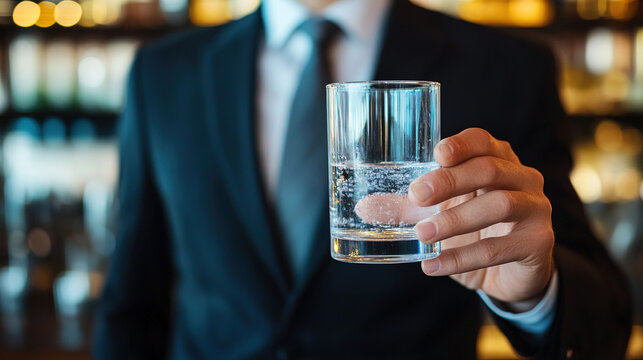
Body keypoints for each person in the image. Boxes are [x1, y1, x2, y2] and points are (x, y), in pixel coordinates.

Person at [94, 0, 632, 358]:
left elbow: (605, 322)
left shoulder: (507, 69)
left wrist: (533, 291)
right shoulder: (162, 73)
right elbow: (131, 304)